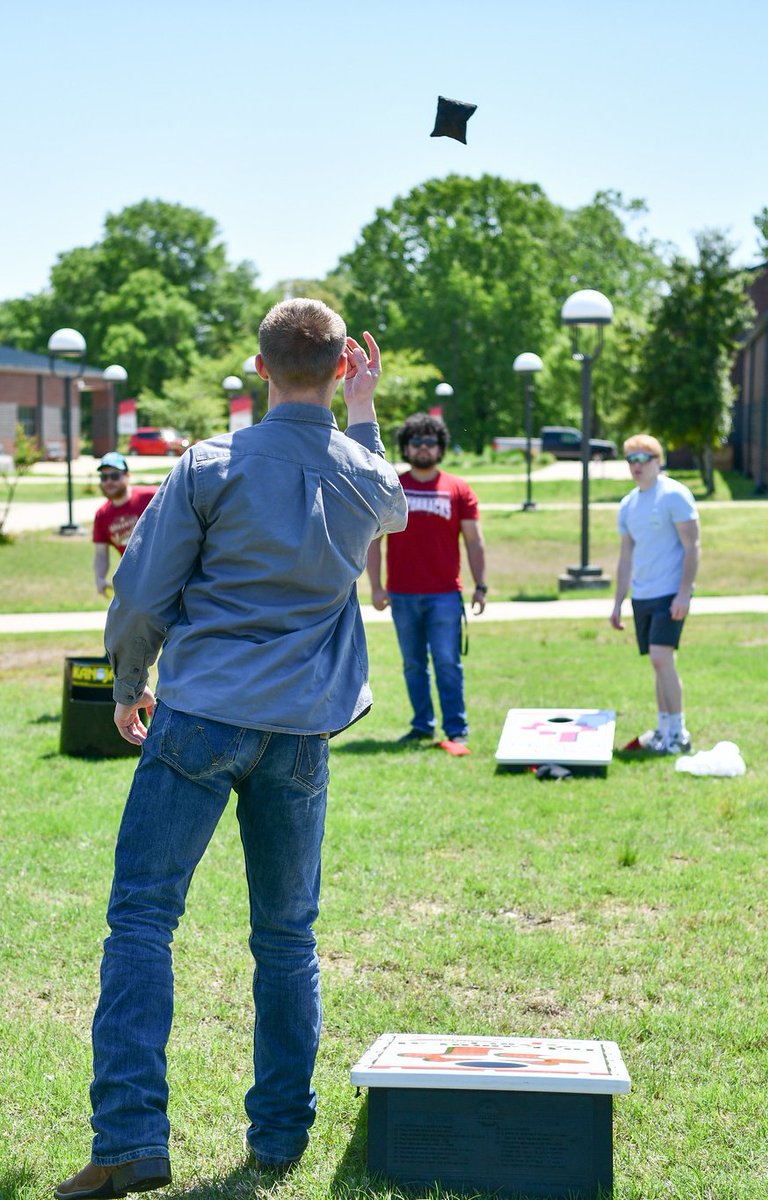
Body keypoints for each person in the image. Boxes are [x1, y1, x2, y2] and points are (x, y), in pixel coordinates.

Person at [55, 299, 408, 1200]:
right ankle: (281, 1137)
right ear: (339, 369)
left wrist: (129, 680)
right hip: (300, 732)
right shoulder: (365, 478)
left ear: (259, 368)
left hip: (201, 716)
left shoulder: (210, 464)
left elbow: (141, 594)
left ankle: (130, 1138)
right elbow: (391, 499)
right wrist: (362, 408)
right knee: (288, 939)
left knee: (142, 921)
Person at [367, 412, 486, 754]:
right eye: (415, 442)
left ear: (440, 447)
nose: (422, 448)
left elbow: (474, 541)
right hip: (402, 594)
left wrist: (482, 585)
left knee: (448, 662)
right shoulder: (393, 485)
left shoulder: (458, 489)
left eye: (429, 442)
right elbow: (375, 539)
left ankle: (456, 729)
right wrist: (375, 586)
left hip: (445, 594)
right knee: (413, 663)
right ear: (405, 446)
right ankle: (421, 726)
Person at [610, 433, 700, 755]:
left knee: (663, 658)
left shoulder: (674, 495)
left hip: (669, 593)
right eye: (630, 459)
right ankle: (663, 731)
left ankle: (679, 732)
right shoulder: (628, 504)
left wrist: (684, 593)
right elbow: (625, 557)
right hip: (642, 594)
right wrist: (618, 602)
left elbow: (692, 546)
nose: (636, 465)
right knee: (658, 663)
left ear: (658, 461)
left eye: (642, 458)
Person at [91, 452, 157, 596]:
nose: (109, 481)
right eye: (104, 477)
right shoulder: (102, 515)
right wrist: (100, 578)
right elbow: (101, 553)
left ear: (128, 476)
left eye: (115, 476)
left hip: (164, 572)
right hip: (135, 581)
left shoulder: (152, 496)